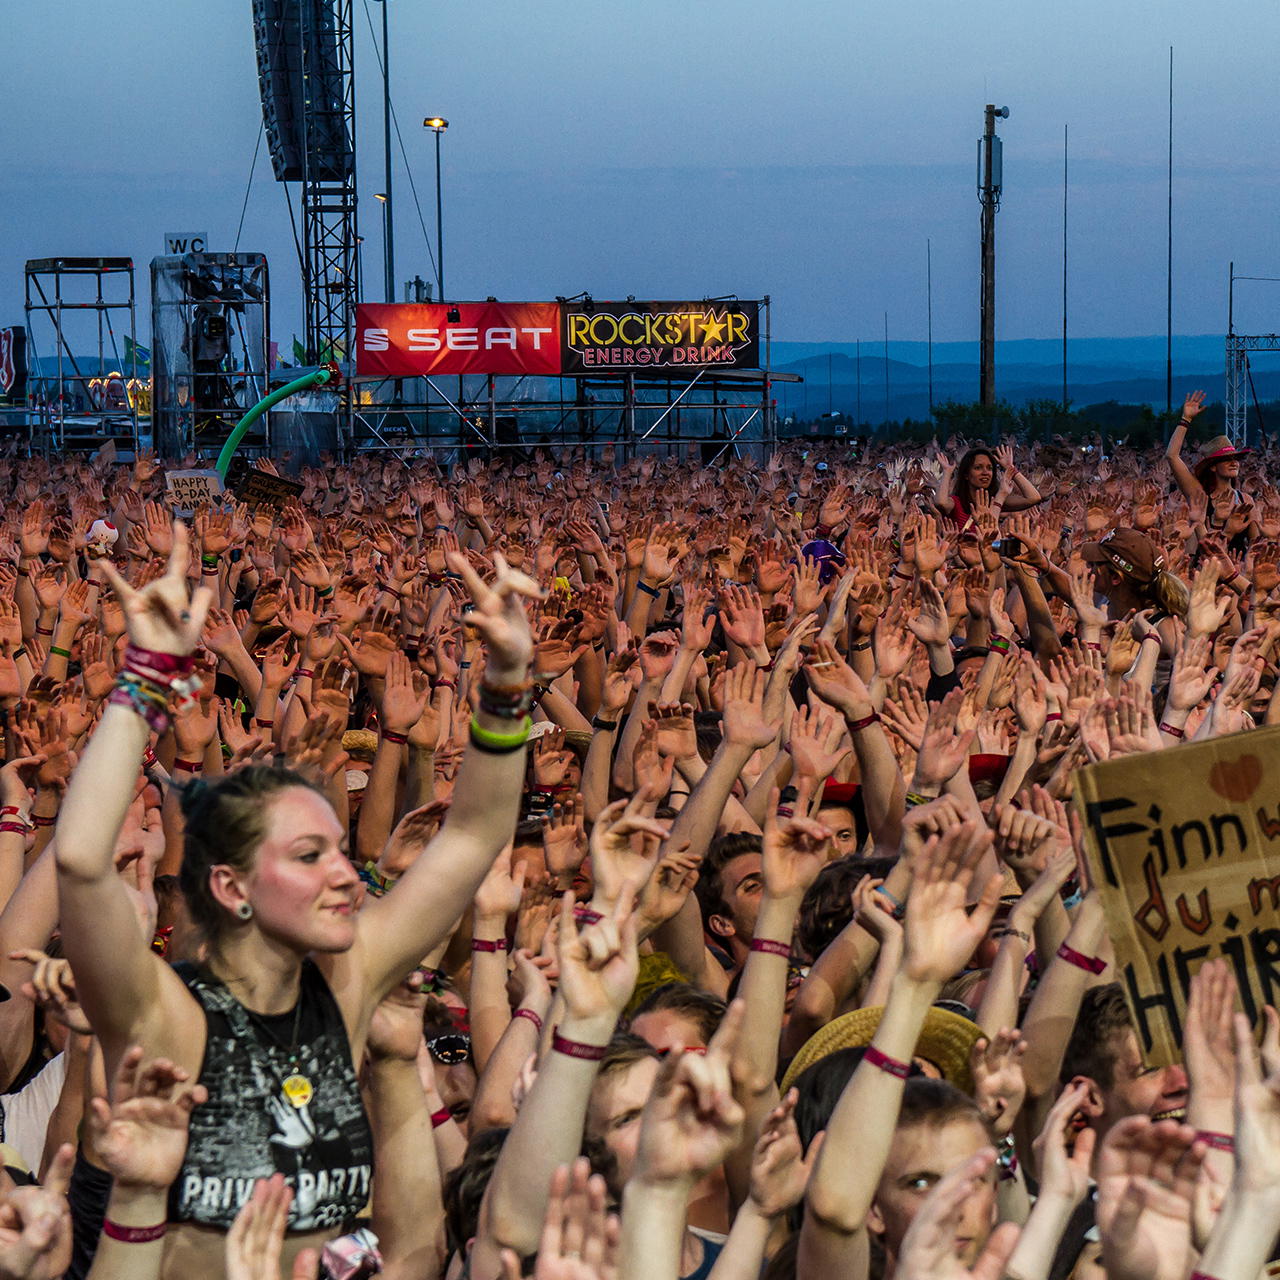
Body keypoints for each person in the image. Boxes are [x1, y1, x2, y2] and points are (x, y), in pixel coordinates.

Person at [54, 525, 537, 1276]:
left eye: (339, 852)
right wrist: (143, 679)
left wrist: (508, 682)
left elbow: (473, 837)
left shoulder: (348, 982)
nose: (347, 876)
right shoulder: (164, 1016)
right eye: (311, 856)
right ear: (230, 886)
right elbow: (82, 861)